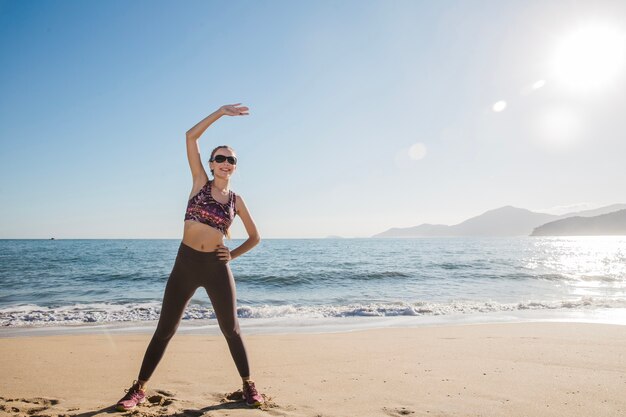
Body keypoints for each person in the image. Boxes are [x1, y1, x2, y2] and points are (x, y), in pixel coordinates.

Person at [115, 103, 264, 410]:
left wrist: (231, 255)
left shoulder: (237, 200)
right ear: (210, 164)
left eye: (230, 159)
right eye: (220, 158)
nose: (225, 162)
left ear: (235, 166)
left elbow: (255, 237)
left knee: (231, 329)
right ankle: (138, 389)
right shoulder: (200, 183)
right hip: (185, 264)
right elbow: (190, 137)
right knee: (165, 329)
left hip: (215, 267)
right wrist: (221, 113)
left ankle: (249, 386)